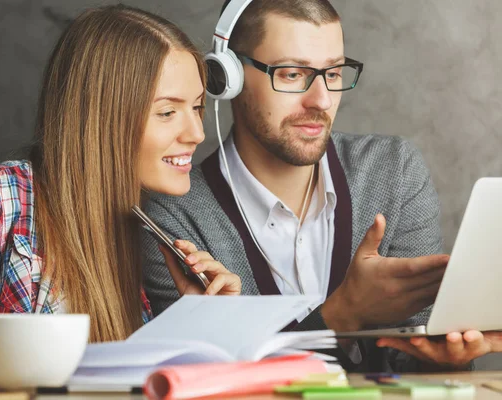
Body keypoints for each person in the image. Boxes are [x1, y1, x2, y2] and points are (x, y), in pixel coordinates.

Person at [142, 0, 501, 371]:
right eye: (292, 74)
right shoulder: (172, 214)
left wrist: (448, 357)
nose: (323, 101)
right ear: (226, 78)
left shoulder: (394, 171)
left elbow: (414, 358)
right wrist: (344, 313)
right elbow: (201, 380)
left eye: (332, 73)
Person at [0, 5, 241, 380]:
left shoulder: (139, 224)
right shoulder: (1, 195)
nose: (196, 133)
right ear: (102, 116)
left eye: (196, 108)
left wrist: (200, 321)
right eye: (167, 112)